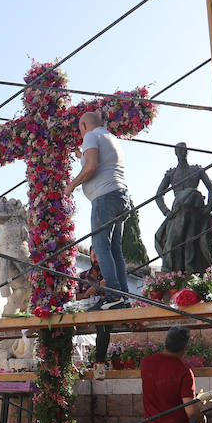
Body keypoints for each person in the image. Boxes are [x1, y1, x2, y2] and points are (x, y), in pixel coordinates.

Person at [68, 110, 133, 310]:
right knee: (114, 249)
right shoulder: (109, 137)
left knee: (100, 246)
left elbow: (92, 166)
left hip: (104, 198)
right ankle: (123, 295)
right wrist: (80, 155)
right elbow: (96, 162)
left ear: (84, 126)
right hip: (120, 196)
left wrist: (71, 185)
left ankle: (113, 295)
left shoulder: (90, 136)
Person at [153, 142, 212, 274]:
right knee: (172, 243)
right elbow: (158, 195)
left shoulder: (196, 170)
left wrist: (208, 208)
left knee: (192, 242)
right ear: (176, 153)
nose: (182, 152)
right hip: (178, 212)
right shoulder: (171, 174)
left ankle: (191, 272)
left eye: (184, 150)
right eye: (179, 150)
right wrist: (166, 211)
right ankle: (174, 275)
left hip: (195, 210)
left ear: (187, 151)